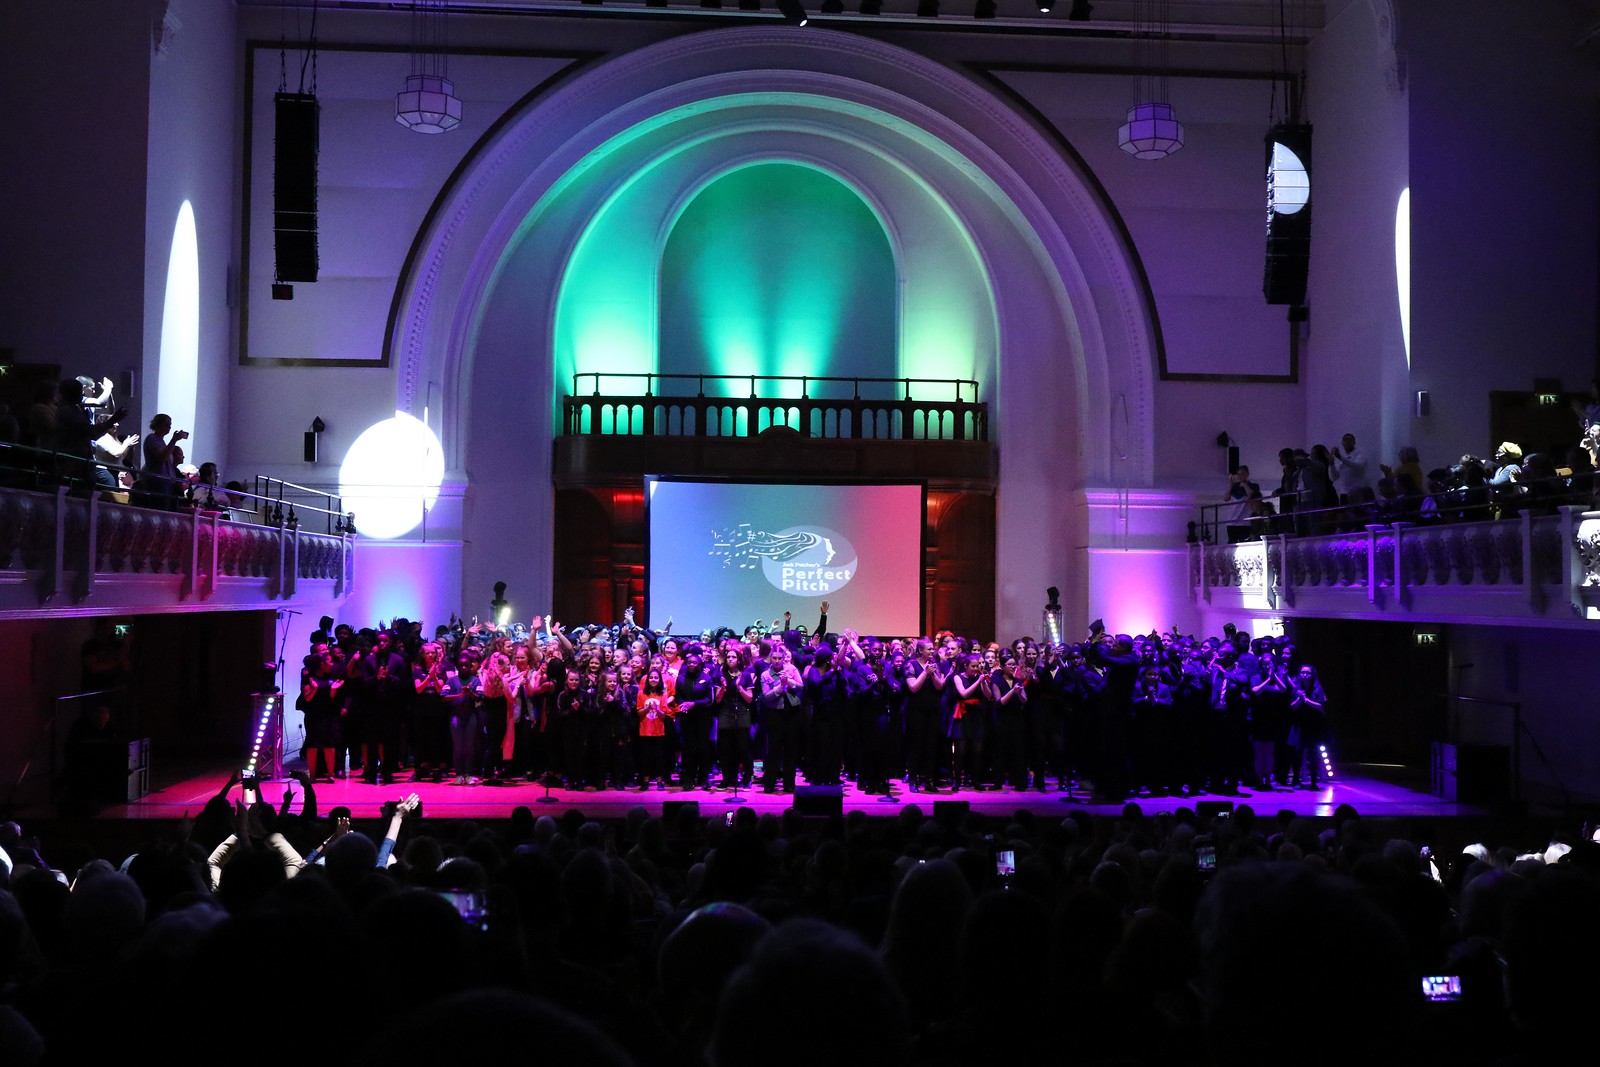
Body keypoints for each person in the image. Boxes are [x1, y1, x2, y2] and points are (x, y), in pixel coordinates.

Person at [136, 413, 187, 510]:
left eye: (170, 425)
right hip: (157, 484)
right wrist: (174, 440)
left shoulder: (162, 442)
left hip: (165, 484)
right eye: (166, 425)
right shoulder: (152, 439)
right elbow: (162, 456)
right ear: (158, 424)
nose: (169, 427)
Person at [1329, 433, 1370, 504]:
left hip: (1358, 491)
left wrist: (1341, 458)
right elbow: (1333, 478)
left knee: (1358, 514)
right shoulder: (1340, 459)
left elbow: (1358, 466)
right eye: (1345, 440)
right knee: (1345, 514)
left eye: (1350, 439)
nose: (1347, 441)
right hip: (1344, 493)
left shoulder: (1360, 453)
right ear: (1342, 443)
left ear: (1354, 442)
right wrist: (1331, 464)